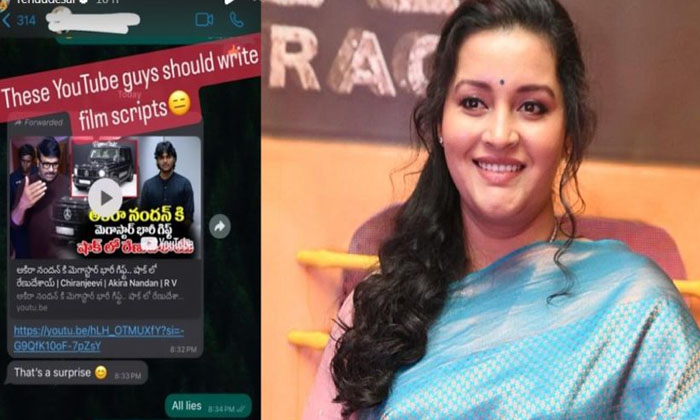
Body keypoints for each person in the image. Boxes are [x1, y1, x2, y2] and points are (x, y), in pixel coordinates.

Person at [303, 1, 700, 419]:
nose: (499, 134)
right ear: (440, 124)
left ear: (568, 133)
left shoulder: (634, 310)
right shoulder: (378, 312)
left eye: (531, 107)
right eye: (474, 102)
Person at [11, 137, 69, 258]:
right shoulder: (27, 183)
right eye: (46, 164)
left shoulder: (67, 183)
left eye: (55, 164)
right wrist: (22, 205)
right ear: (38, 162)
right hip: (36, 255)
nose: (51, 170)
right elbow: (15, 223)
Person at [139, 141, 194, 230]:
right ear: (157, 160)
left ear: (174, 159)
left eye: (168, 157)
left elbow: (189, 217)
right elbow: (142, 216)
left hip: (178, 236)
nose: (165, 161)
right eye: (161, 157)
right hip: (153, 236)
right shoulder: (148, 186)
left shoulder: (185, 184)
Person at [9, 144, 38, 258]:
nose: (25, 164)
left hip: (36, 224)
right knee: (22, 256)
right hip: (20, 228)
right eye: (23, 161)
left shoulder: (39, 174)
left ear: (32, 160)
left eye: (28, 161)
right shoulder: (12, 179)